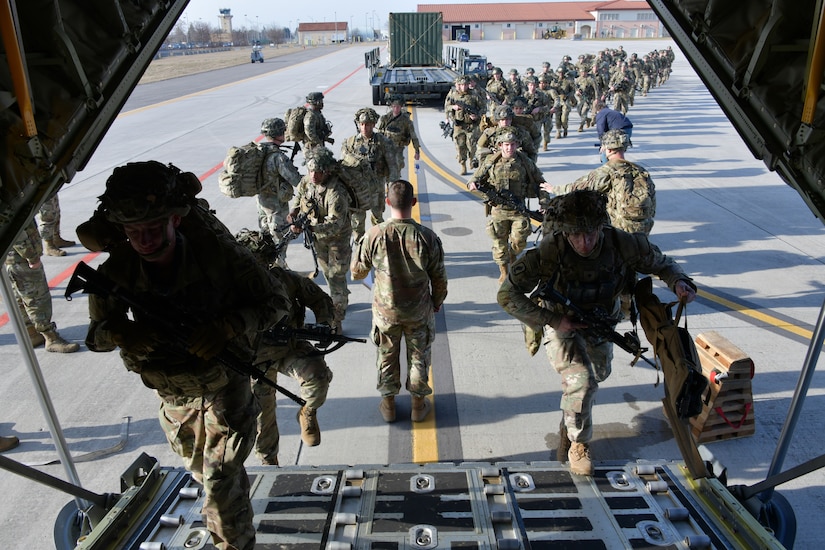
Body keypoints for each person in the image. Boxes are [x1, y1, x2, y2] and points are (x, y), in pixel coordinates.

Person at [83, 161, 292, 550]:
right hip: (172, 394)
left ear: (176, 220)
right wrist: (122, 332)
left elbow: (275, 300)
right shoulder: (117, 272)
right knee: (203, 475)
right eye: (132, 233)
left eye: (151, 229)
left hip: (224, 388)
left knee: (220, 486)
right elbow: (94, 336)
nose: (143, 240)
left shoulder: (219, 257)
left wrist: (228, 327)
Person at [497, 190, 696, 476]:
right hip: (563, 323)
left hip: (602, 322)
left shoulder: (623, 244)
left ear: (601, 226)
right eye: (575, 235)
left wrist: (679, 282)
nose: (584, 243)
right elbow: (507, 294)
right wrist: (551, 318)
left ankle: (571, 418)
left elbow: (662, 263)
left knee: (599, 374)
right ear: (565, 232)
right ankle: (578, 444)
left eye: (590, 234)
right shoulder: (549, 253)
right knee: (583, 381)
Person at [350, 180, 448, 423]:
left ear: (387, 203)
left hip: (386, 313)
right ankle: (417, 405)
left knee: (387, 356)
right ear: (413, 203)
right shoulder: (427, 237)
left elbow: (357, 273)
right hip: (418, 311)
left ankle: (389, 405)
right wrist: (436, 301)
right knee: (419, 356)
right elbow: (439, 278)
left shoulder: (374, 234)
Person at [235, 229, 334, 463]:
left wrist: (324, 324)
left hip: (289, 348)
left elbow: (320, 300)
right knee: (262, 421)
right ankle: (270, 464)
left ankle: (307, 413)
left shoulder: (287, 280)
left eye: (265, 264)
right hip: (254, 361)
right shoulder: (230, 288)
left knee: (318, 376)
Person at [467, 131, 547, 283]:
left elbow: (540, 183)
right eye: (506, 145)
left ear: (517, 145)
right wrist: (473, 184)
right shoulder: (492, 161)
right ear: (500, 145)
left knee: (519, 240)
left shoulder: (525, 162)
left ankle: (512, 256)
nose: (509, 148)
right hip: (499, 210)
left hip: (518, 210)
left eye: (512, 145)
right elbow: (475, 178)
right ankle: (504, 271)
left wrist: (544, 203)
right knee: (499, 242)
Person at [544, 129, 655, 235]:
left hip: (620, 229)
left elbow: (578, 188)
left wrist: (553, 189)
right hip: (644, 227)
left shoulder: (607, 171)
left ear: (609, 149)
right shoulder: (640, 170)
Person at [289, 147, 352, 331]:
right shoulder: (308, 182)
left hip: (337, 240)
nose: (313, 175)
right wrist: (293, 212)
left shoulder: (336, 192)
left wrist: (309, 227)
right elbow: (299, 195)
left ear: (326, 171)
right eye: (310, 171)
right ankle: (340, 299)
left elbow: (336, 224)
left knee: (336, 276)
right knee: (329, 275)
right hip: (319, 238)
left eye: (317, 172)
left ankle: (336, 321)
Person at [5, 219, 80, 352]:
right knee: (37, 297)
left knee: (21, 295)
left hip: (12, 257)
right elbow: (13, 225)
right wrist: (30, 255)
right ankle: (51, 338)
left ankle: (32, 334)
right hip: (21, 257)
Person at [341, 107, 398, 242]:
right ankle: (360, 246)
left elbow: (392, 166)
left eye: (368, 124)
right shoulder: (350, 143)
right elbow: (343, 166)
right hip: (358, 190)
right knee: (357, 220)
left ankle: (378, 243)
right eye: (362, 124)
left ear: (373, 124)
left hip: (376, 187)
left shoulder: (383, 142)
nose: (364, 127)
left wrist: (393, 187)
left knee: (377, 218)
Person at [256, 117, 302, 267]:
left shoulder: (260, 152)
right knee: (279, 241)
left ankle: (266, 266)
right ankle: (279, 270)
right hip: (277, 206)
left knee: (265, 237)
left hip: (262, 203)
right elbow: (296, 180)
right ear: (278, 133)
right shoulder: (278, 157)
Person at [444, 75, 485, 175]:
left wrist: (477, 116)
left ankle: (472, 159)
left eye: (466, 85)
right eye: (461, 85)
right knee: (460, 146)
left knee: (472, 145)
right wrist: (453, 107)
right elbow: (446, 107)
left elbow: (483, 108)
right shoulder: (453, 94)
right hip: (459, 125)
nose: (463, 87)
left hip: (472, 125)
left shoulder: (474, 95)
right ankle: (463, 165)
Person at [377, 95, 421, 180]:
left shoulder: (406, 121)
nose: (396, 109)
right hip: (385, 149)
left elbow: (414, 137)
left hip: (398, 149)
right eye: (394, 107)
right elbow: (379, 134)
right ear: (391, 107)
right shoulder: (385, 119)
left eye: (398, 107)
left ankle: (394, 185)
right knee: (384, 169)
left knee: (397, 168)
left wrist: (417, 151)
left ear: (401, 107)